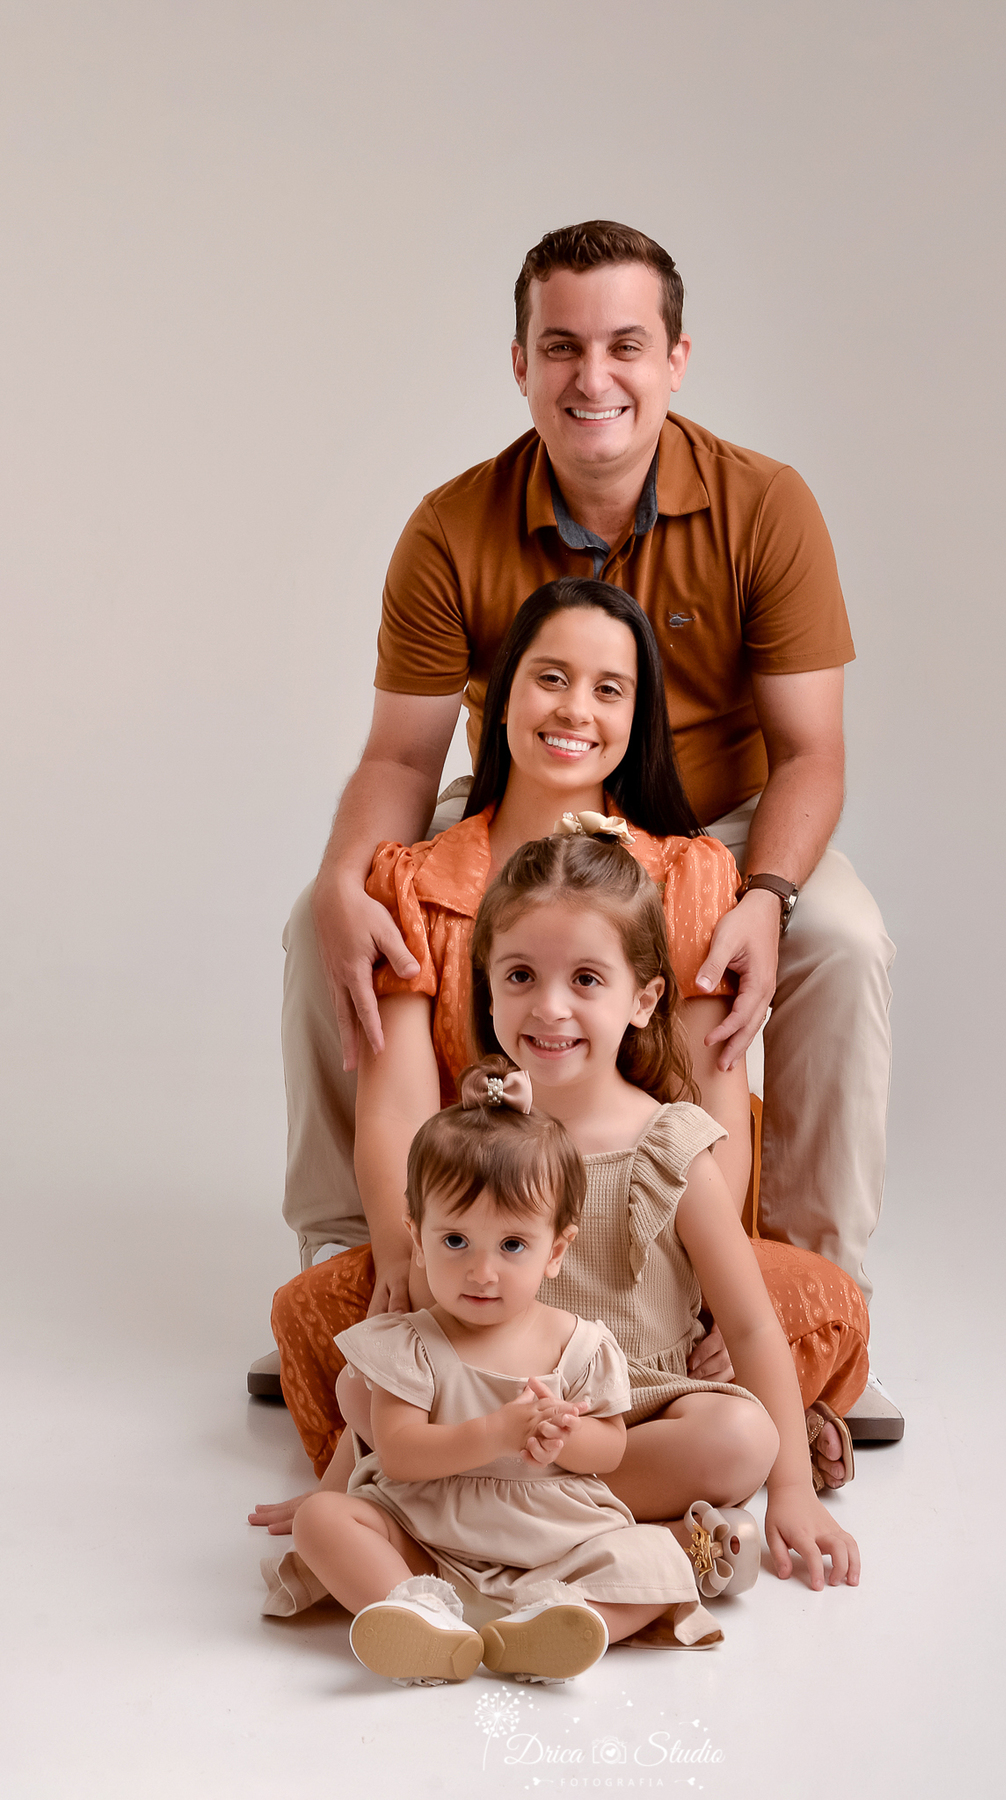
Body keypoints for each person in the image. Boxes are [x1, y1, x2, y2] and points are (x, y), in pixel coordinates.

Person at [275, 221, 898, 1393]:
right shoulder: (451, 524)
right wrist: (337, 883)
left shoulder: (767, 505)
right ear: (520, 362)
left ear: (676, 357)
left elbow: (814, 751)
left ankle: (791, 1279)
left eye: (624, 345)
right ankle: (369, 1256)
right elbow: (402, 762)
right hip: (517, 798)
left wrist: (764, 893)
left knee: (843, 939)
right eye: (560, 347)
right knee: (336, 932)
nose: (592, 377)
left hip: (723, 821)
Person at [255, 582, 866, 1496]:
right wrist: (408, 1252)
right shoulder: (421, 878)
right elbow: (397, 1107)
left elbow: (711, 1097)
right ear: (500, 700)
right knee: (316, 1317)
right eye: (549, 678)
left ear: (638, 717)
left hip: (639, 1254)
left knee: (824, 1305)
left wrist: (698, 1275)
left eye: (609, 689)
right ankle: (557, 1466)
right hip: (481, 1250)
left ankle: (501, 1478)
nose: (575, 708)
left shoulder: (688, 872)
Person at [271, 1063, 721, 1686]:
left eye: (512, 1246)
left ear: (555, 1252)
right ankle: (419, 1615)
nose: (482, 1273)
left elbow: (613, 1447)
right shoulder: (410, 1343)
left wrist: (567, 1439)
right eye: (456, 1241)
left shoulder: (581, 1345)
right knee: (323, 1520)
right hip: (427, 1535)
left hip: (554, 1536)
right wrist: (498, 1433)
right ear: (417, 1238)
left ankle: (558, 1622)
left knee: (655, 1560)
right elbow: (398, 1452)